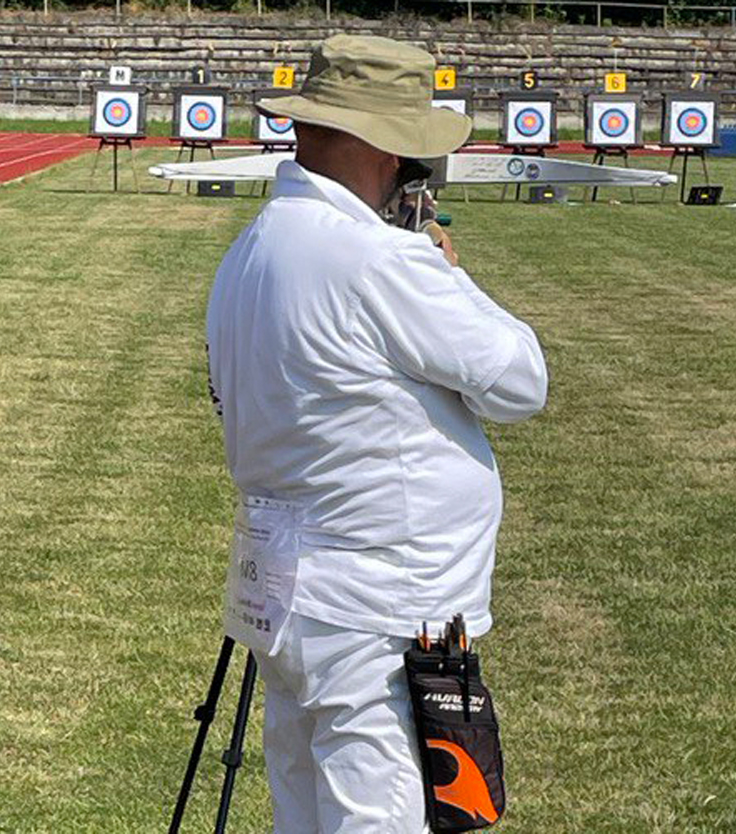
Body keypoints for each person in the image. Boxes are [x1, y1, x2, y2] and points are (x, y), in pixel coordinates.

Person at [205, 35, 548, 832]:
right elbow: (521, 380)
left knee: (307, 811)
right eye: (403, 150)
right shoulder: (379, 260)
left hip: (286, 594)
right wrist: (447, 271)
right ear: (377, 145)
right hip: (377, 607)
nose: (405, 169)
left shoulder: (248, 251)